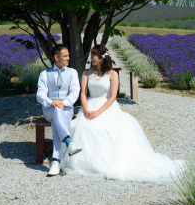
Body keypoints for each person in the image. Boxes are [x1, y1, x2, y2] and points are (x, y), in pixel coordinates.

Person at [61, 44, 184, 182]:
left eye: (94, 55)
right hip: (89, 105)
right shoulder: (86, 72)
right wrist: (86, 110)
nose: (92, 58)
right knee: (80, 127)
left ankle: (103, 163)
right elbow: (82, 93)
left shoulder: (112, 74)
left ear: (102, 57)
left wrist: (99, 112)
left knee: (105, 128)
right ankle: (84, 163)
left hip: (106, 106)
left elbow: (113, 96)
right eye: (91, 55)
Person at [36, 44, 83, 176]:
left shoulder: (73, 72)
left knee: (57, 119)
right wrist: (52, 102)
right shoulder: (44, 74)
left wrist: (63, 103)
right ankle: (69, 143)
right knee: (56, 111)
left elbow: (75, 92)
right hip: (49, 111)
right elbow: (40, 95)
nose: (69, 58)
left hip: (66, 109)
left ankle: (56, 161)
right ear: (56, 57)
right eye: (65, 56)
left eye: (68, 55)